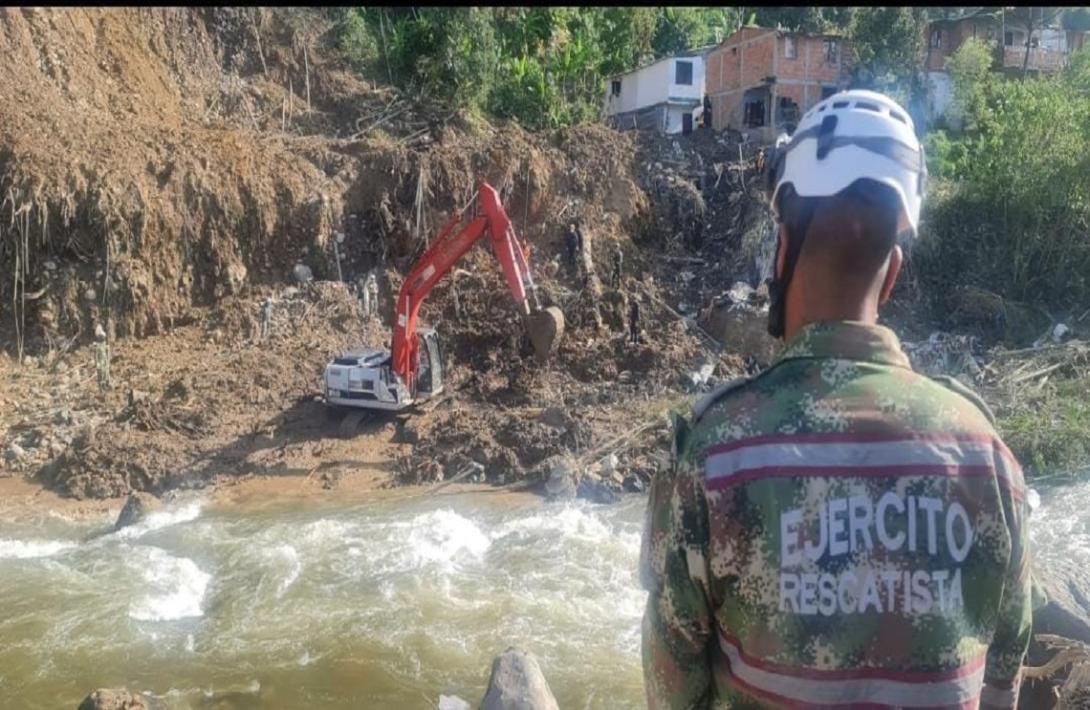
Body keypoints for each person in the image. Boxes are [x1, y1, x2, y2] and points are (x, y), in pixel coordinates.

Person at [641, 90, 1031, 709]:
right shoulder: (986, 457)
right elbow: (1003, 683)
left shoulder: (714, 457)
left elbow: (672, 692)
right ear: (894, 271)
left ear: (782, 252)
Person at [94, 323, 111, 391]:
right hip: (101, 362)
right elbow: (97, 356)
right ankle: (102, 387)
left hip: (104, 361)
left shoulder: (103, 345)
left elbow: (107, 353)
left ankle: (106, 385)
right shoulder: (98, 346)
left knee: (105, 372)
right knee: (101, 373)